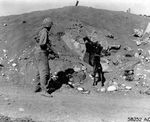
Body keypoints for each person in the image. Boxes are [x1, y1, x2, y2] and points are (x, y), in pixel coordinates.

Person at [34, 17, 56, 96]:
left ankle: (37, 88)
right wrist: (50, 50)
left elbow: (38, 40)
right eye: (51, 25)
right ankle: (44, 91)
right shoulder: (44, 32)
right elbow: (42, 44)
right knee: (45, 72)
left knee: (39, 71)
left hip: (38, 52)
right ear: (49, 25)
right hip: (41, 53)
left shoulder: (41, 31)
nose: (51, 27)